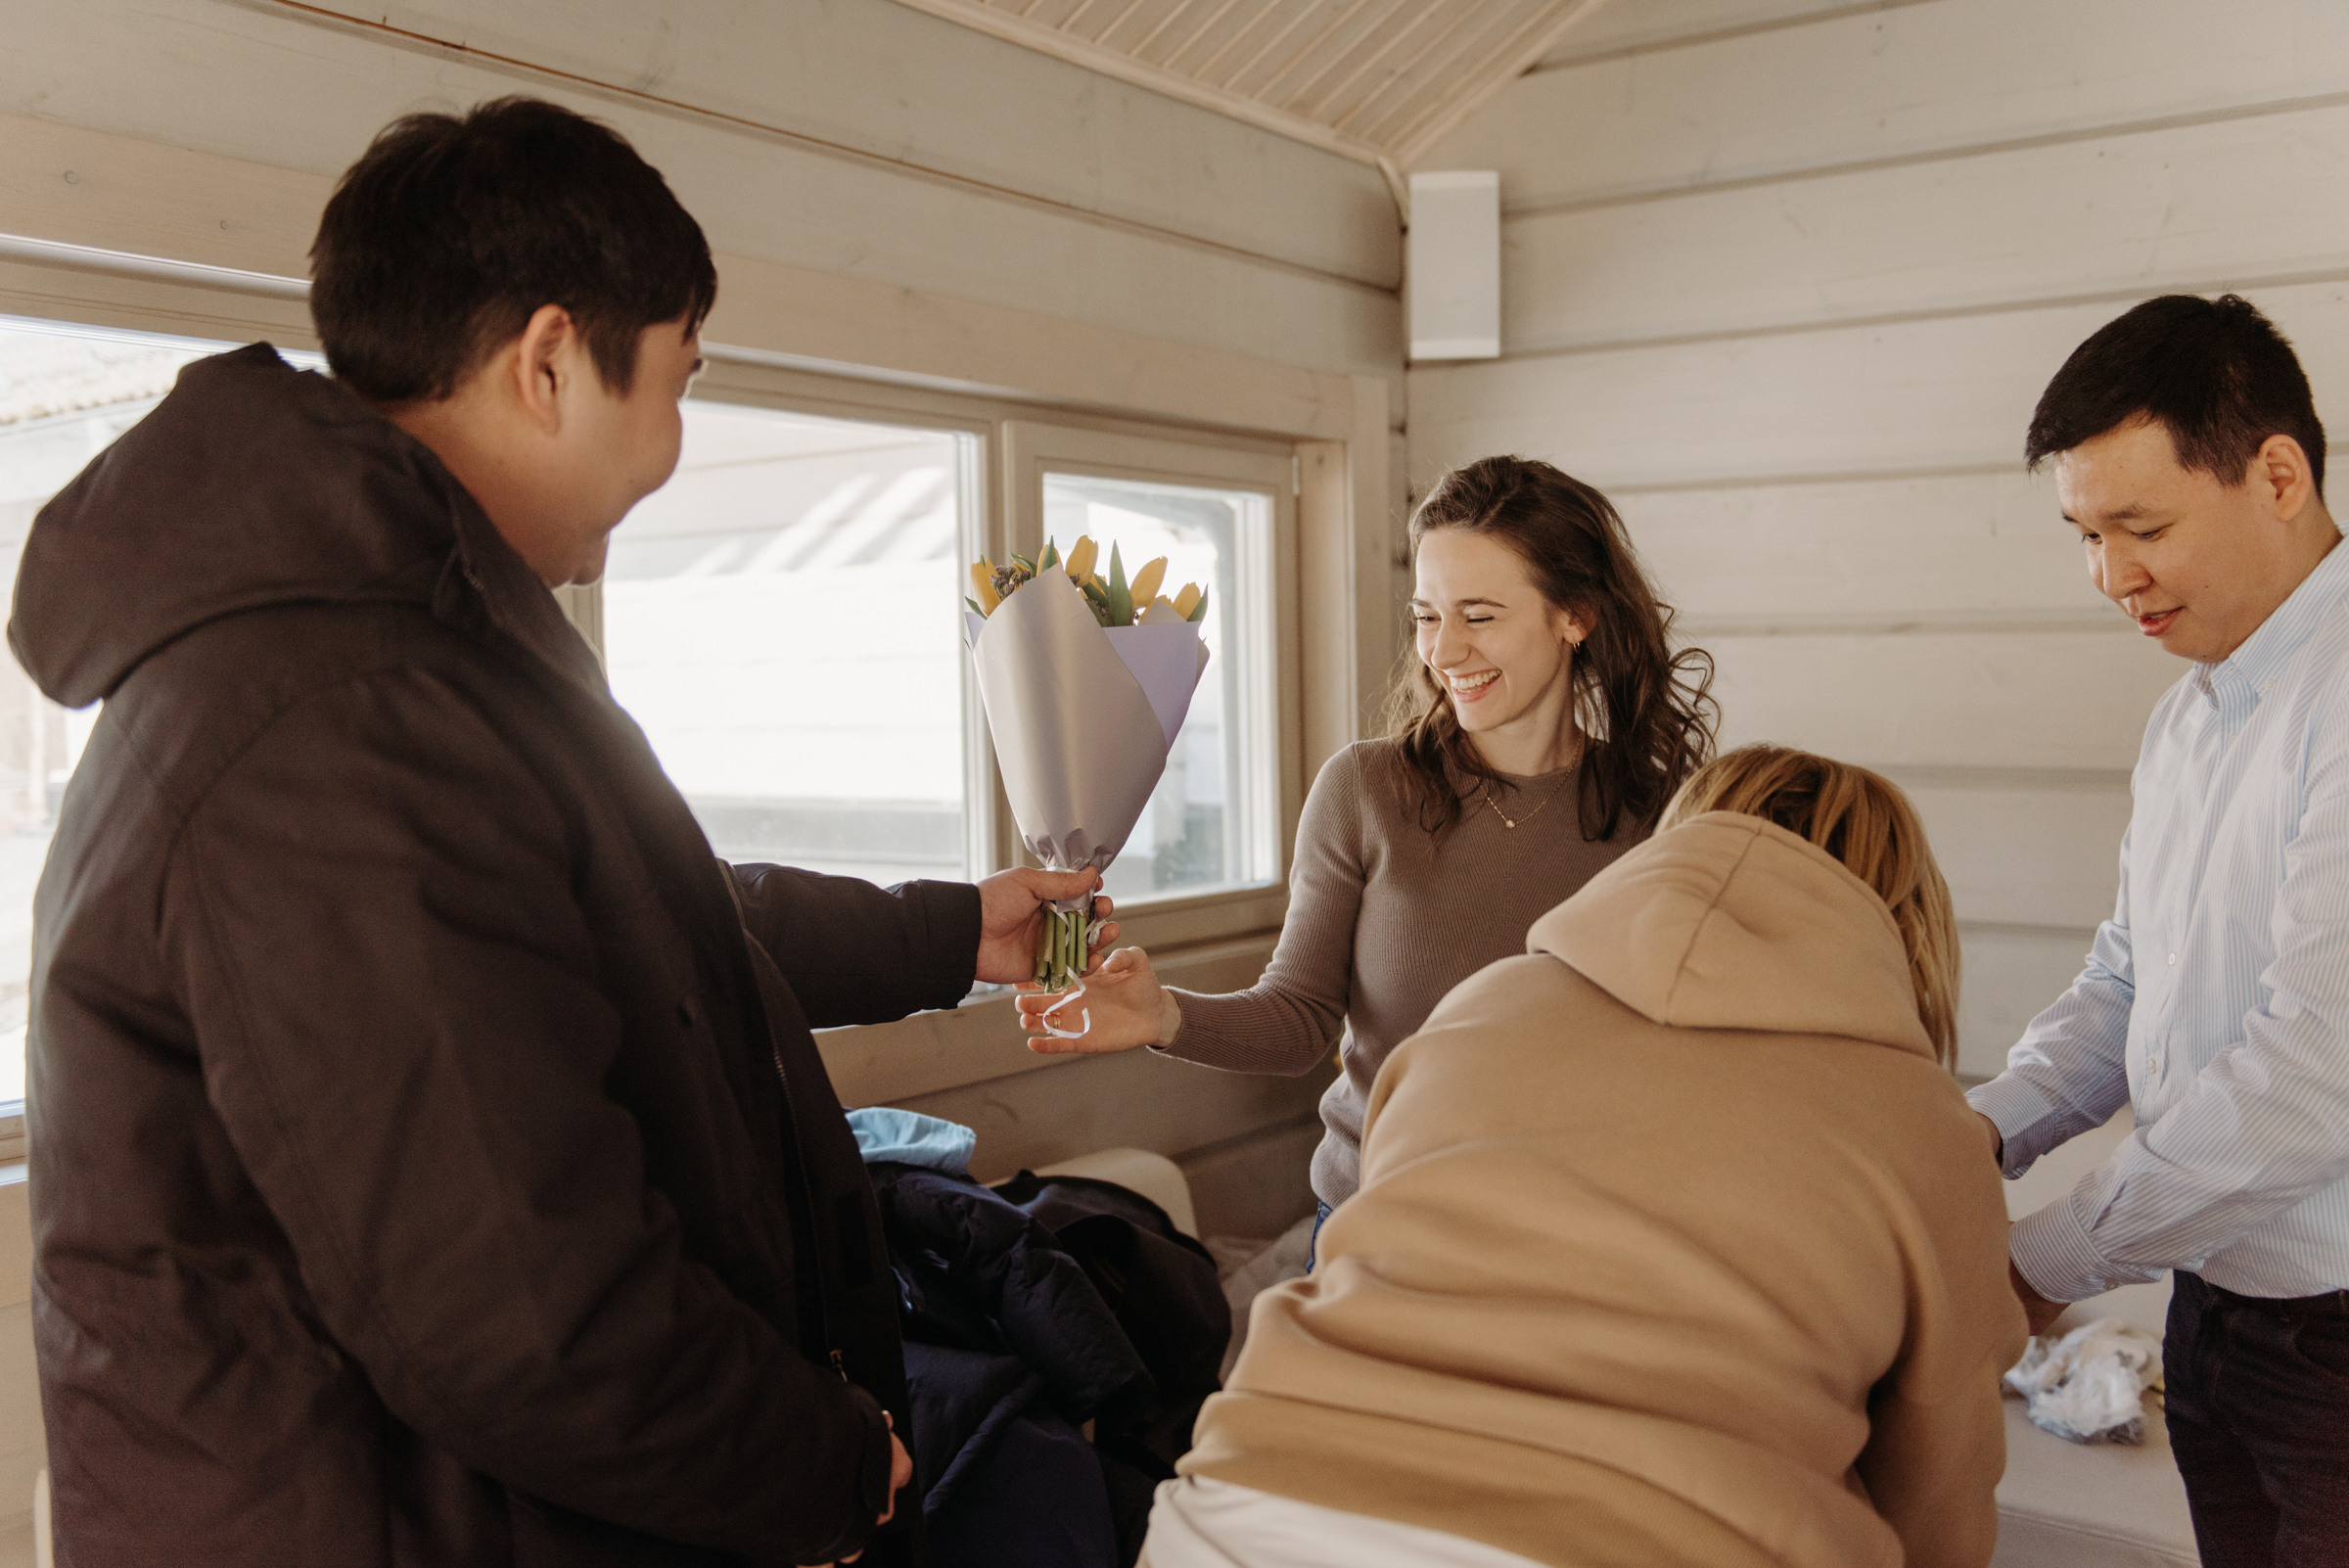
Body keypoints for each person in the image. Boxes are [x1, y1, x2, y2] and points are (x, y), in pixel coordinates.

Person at [13, 98, 1108, 1567]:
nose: (674, 442)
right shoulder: (333, 718)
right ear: (547, 364)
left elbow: (640, 920)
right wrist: (837, 1465)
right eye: (675, 380)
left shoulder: (412, 647)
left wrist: (951, 927)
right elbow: (526, 1318)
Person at [1140, 746, 2025, 1568]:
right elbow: (1940, 1513)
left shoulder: (1479, 1009)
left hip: (1245, 1511)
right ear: (1903, 919)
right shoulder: (1927, 1127)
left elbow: (1365, 1262)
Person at [1018, 456, 1716, 1249]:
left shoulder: (1663, 816)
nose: (1443, 651)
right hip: (1373, 1231)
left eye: (1479, 616)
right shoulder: (1366, 788)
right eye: (1425, 616)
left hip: (1569, 1239)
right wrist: (1164, 1015)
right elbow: (1301, 1017)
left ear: (1576, 616)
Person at [1967, 293, 2349, 1562]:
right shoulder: (2187, 718)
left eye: (2142, 526)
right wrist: (1979, 1134)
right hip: (2215, 1305)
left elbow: (2312, 1068)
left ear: (2278, 473)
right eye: (2085, 533)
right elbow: (2129, 979)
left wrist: (2046, 1261)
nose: (2109, 575)